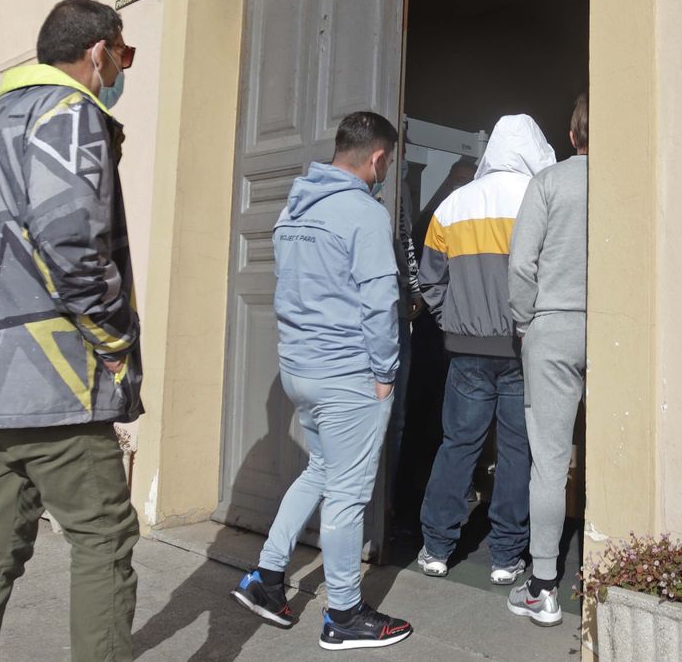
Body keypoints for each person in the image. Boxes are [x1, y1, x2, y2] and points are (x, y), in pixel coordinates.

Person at [0, 0, 143, 661]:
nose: (120, 69)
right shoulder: (67, 112)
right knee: (103, 538)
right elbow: (71, 244)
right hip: (52, 376)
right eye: (123, 54)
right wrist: (115, 344)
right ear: (97, 52)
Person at [229, 111, 415, 651]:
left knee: (321, 472)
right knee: (348, 497)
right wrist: (385, 371)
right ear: (378, 158)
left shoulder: (295, 205)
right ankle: (345, 614)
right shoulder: (363, 213)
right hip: (347, 374)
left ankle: (266, 579)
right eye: (387, 163)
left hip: (301, 370)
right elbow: (381, 299)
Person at [416, 114, 557, 585]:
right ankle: (505, 556)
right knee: (518, 450)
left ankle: (436, 547)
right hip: (522, 350)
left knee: (458, 444)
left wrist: (451, 323)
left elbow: (430, 280)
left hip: (465, 350)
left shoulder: (453, 206)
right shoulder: (540, 200)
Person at [504, 93, 589, 627]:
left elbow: (521, 265)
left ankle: (541, 586)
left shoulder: (550, 182)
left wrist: (525, 321)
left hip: (553, 328)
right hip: (613, 326)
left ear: (573, 134)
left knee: (550, 463)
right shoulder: (626, 182)